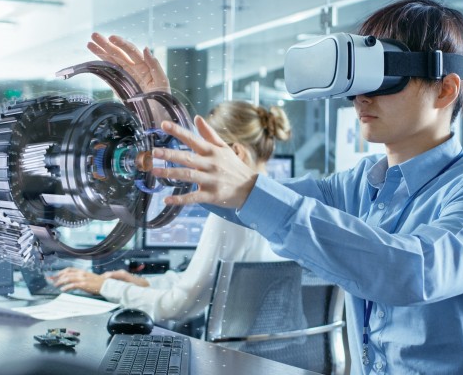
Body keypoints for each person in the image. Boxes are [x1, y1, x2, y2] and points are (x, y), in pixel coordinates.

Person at [129, 0, 463, 374]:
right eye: (357, 80)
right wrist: (168, 129)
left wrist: (251, 190)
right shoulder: (356, 186)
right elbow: (237, 200)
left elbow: (412, 271)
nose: (360, 97)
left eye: (384, 76)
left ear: (445, 89)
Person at [52, 49, 293, 322]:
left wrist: (104, 286)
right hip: (274, 356)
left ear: (235, 154)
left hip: (233, 360)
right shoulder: (284, 205)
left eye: (205, 153)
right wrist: (142, 283)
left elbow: (175, 307)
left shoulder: (234, 215)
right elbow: (199, 286)